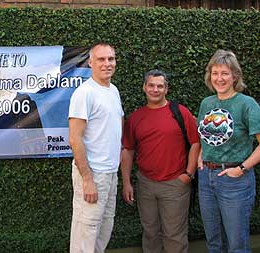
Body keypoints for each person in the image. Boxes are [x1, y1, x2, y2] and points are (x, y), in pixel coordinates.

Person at [121, 69, 200, 253]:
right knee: (150, 233)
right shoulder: (135, 118)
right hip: (146, 184)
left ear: (166, 89)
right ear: (144, 87)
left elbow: (195, 143)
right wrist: (126, 183)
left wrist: (188, 174)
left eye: (160, 86)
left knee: (174, 235)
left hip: (175, 184)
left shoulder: (180, 112)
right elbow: (128, 150)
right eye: (151, 85)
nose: (155, 89)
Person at [197, 49, 260, 253]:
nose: (219, 78)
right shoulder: (206, 103)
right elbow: (205, 136)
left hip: (235, 181)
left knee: (236, 245)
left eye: (225, 73)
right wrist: (201, 156)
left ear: (235, 75)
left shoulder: (247, 104)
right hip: (206, 179)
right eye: (215, 73)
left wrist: (241, 169)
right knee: (214, 241)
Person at [68, 42, 124, 253]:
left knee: (103, 230)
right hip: (93, 175)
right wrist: (88, 180)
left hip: (110, 173)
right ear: (90, 62)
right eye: (101, 59)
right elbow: (75, 138)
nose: (107, 64)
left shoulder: (113, 91)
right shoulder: (84, 93)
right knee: (86, 234)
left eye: (111, 59)